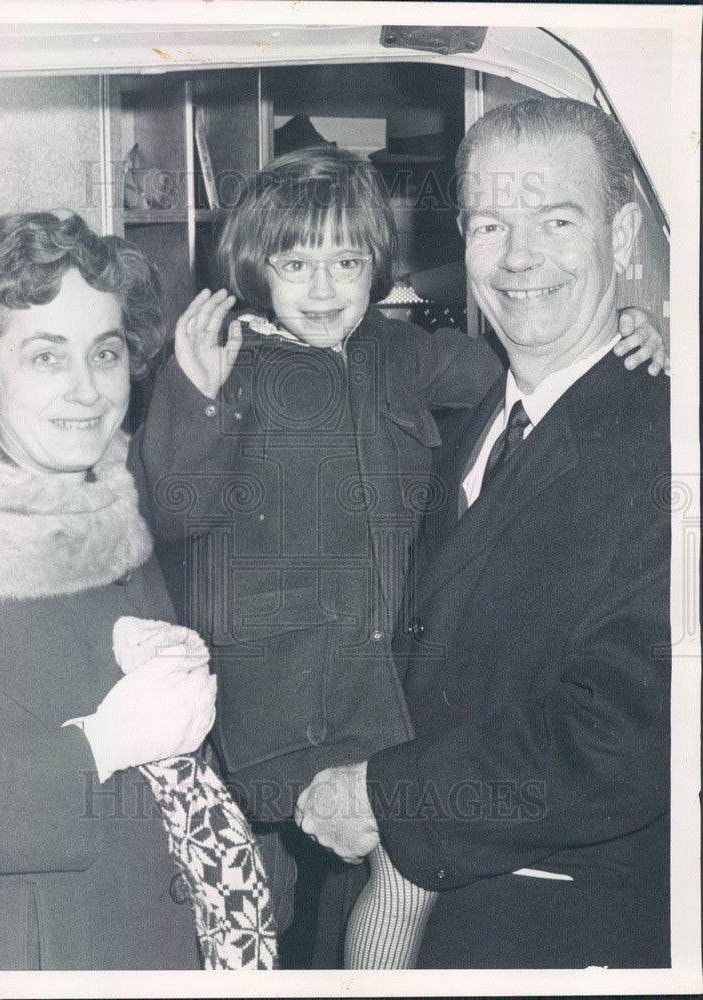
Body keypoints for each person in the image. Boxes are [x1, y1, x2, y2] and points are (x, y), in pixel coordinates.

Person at [132, 144, 667, 969]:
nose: (323, 288)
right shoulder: (225, 364)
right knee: (269, 899)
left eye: (346, 262)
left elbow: (527, 361)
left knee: (392, 871)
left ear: (375, 269)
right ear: (254, 265)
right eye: (296, 262)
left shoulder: (394, 349)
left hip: (383, 692)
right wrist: (195, 397)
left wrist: (633, 326)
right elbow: (176, 510)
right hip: (278, 703)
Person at [297, 98, 671, 969]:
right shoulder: (472, 421)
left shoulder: (668, 442)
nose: (520, 257)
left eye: (557, 219)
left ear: (619, 238)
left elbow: (622, 737)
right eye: (492, 222)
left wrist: (387, 796)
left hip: (540, 938)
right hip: (396, 917)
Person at [0, 212, 276, 971]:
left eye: (105, 353)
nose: (87, 390)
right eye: (47, 357)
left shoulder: (98, 482)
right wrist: (102, 743)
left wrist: (140, 648)